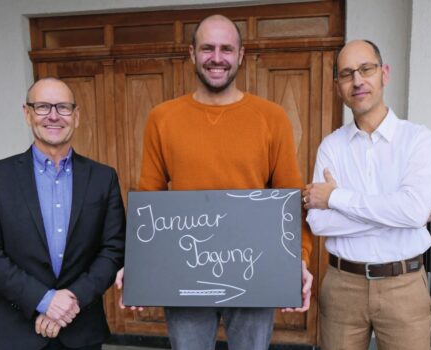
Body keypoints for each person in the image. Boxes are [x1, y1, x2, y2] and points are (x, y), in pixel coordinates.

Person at [116, 14, 313, 350]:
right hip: (185, 273)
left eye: (226, 49)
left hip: (255, 270)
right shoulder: (162, 118)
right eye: (207, 48)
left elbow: (289, 199)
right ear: (192, 54)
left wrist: (301, 259)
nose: (217, 58)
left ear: (241, 55)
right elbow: (148, 197)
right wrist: (138, 266)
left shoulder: (272, 118)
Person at [0, 77, 126, 350]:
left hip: (81, 332)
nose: (53, 116)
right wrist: (44, 300)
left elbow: (114, 249)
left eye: (63, 107)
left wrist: (71, 300)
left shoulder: (103, 178)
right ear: (27, 113)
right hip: (16, 332)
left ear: (76, 116)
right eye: (42, 107)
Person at [303, 39, 431, 350]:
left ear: (384, 74)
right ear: (338, 86)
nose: (358, 80)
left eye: (366, 69)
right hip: (342, 286)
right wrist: (397, 216)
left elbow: (414, 213)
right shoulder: (331, 147)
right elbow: (320, 223)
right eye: (347, 74)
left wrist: (336, 198)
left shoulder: (418, 140)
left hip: (404, 285)